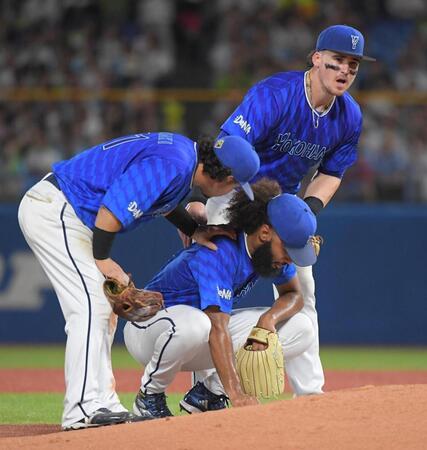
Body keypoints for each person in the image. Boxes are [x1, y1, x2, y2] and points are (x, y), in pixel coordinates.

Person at [17, 131, 259, 430]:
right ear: (222, 172)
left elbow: (161, 200)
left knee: (102, 310)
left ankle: (101, 401)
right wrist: (104, 261)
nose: (231, 189)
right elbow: (110, 212)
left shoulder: (183, 157)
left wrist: (192, 229)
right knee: (91, 306)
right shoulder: (174, 162)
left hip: (70, 212)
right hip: (59, 210)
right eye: (234, 182)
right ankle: (81, 408)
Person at [185, 24, 375, 397]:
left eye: (352, 65)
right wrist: (210, 200)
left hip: (284, 203)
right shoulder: (275, 94)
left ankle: (311, 392)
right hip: (235, 191)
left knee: (304, 290)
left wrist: (304, 213)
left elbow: (331, 174)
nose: (345, 71)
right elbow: (229, 145)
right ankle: (206, 391)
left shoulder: (349, 116)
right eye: (337, 60)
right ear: (317, 58)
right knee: (217, 288)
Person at [124, 178, 321, 418]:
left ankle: (208, 394)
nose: (289, 260)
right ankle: (149, 396)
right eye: (289, 251)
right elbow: (217, 328)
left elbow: (293, 295)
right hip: (149, 329)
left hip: (198, 337)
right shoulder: (219, 250)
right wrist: (236, 393)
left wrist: (268, 321)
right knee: (198, 324)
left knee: (301, 327)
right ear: (265, 233)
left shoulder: (274, 254)